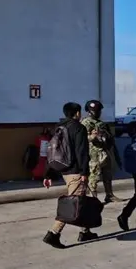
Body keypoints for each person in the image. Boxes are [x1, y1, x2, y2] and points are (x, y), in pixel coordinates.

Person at [42, 102, 94, 249]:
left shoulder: (58, 127)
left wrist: (48, 174)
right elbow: (81, 152)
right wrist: (84, 172)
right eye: (79, 112)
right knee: (72, 204)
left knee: (80, 200)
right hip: (76, 172)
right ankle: (53, 233)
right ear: (76, 113)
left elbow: (52, 152)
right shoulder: (78, 128)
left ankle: (85, 231)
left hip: (64, 170)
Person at [81, 99, 122, 203]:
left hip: (104, 152)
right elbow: (83, 138)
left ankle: (109, 195)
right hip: (93, 155)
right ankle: (93, 198)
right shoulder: (85, 122)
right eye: (95, 111)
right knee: (94, 177)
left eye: (99, 111)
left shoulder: (101, 123)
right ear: (89, 111)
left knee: (107, 175)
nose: (98, 113)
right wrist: (92, 137)